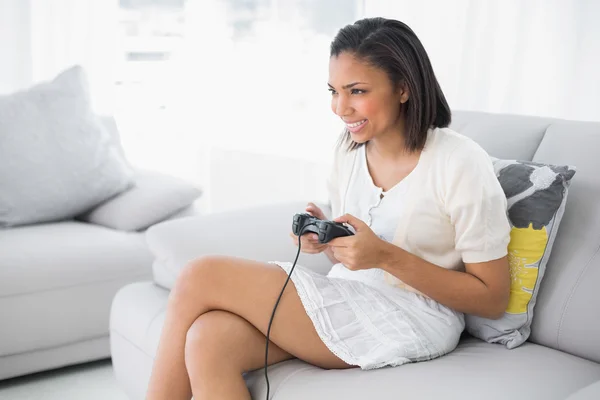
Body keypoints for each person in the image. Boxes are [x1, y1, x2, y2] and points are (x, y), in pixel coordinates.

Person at [146, 17, 512, 400]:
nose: (340, 107)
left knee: (200, 275)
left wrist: (384, 257)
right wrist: (328, 236)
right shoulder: (349, 149)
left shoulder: (459, 162)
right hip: (350, 292)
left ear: (403, 88)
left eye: (356, 91)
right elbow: (357, 246)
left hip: (417, 315)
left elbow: (491, 298)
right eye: (334, 91)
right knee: (208, 339)